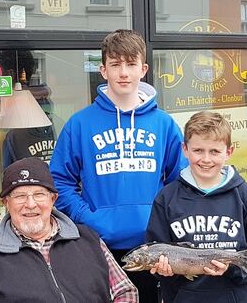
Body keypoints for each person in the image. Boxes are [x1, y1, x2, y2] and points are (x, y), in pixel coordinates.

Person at [50, 29, 186, 303]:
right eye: (115, 64)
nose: (123, 72)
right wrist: (86, 217)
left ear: (143, 69)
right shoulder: (80, 124)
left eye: (131, 64)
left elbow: (179, 181)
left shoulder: (164, 124)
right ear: (103, 70)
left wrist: (163, 223)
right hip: (97, 244)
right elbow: (59, 180)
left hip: (151, 247)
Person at [0, 157, 138, 303]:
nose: (30, 205)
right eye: (20, 196)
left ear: (53, 199)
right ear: (6, 203)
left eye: (39, 194)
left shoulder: (89, 240)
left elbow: (125, 291)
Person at [145, 110, 247, 303]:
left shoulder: (246, 196)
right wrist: (164, 271)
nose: (206, 159)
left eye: (214, 151)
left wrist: (232, 269)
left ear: (229, 152)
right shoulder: (166, 198)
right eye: (198, 150)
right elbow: (155, 249)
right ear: (185, 149)